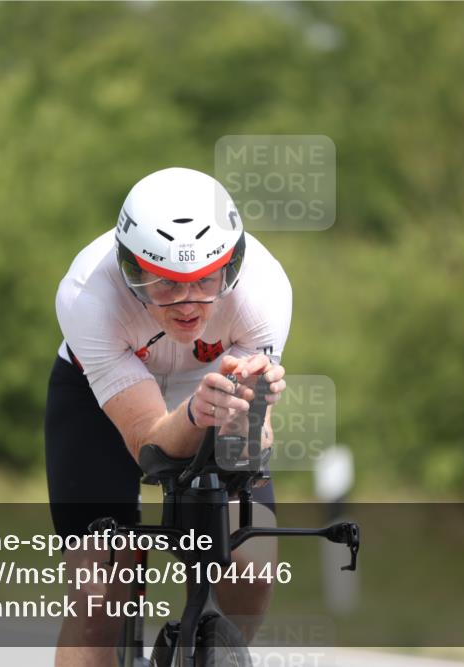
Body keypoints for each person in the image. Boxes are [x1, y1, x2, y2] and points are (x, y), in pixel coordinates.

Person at [46, 167, 291, 666]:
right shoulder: (87, 294)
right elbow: (149, 445)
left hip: (213, 396)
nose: (187, 303)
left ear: (233, 263)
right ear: (129, 269)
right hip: (103, 402)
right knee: (100, 593)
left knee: (252, 570)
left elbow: (249, 447)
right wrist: (199, 413)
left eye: (205, 279)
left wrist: (249, 422)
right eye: (163, 285)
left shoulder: (265, 289)